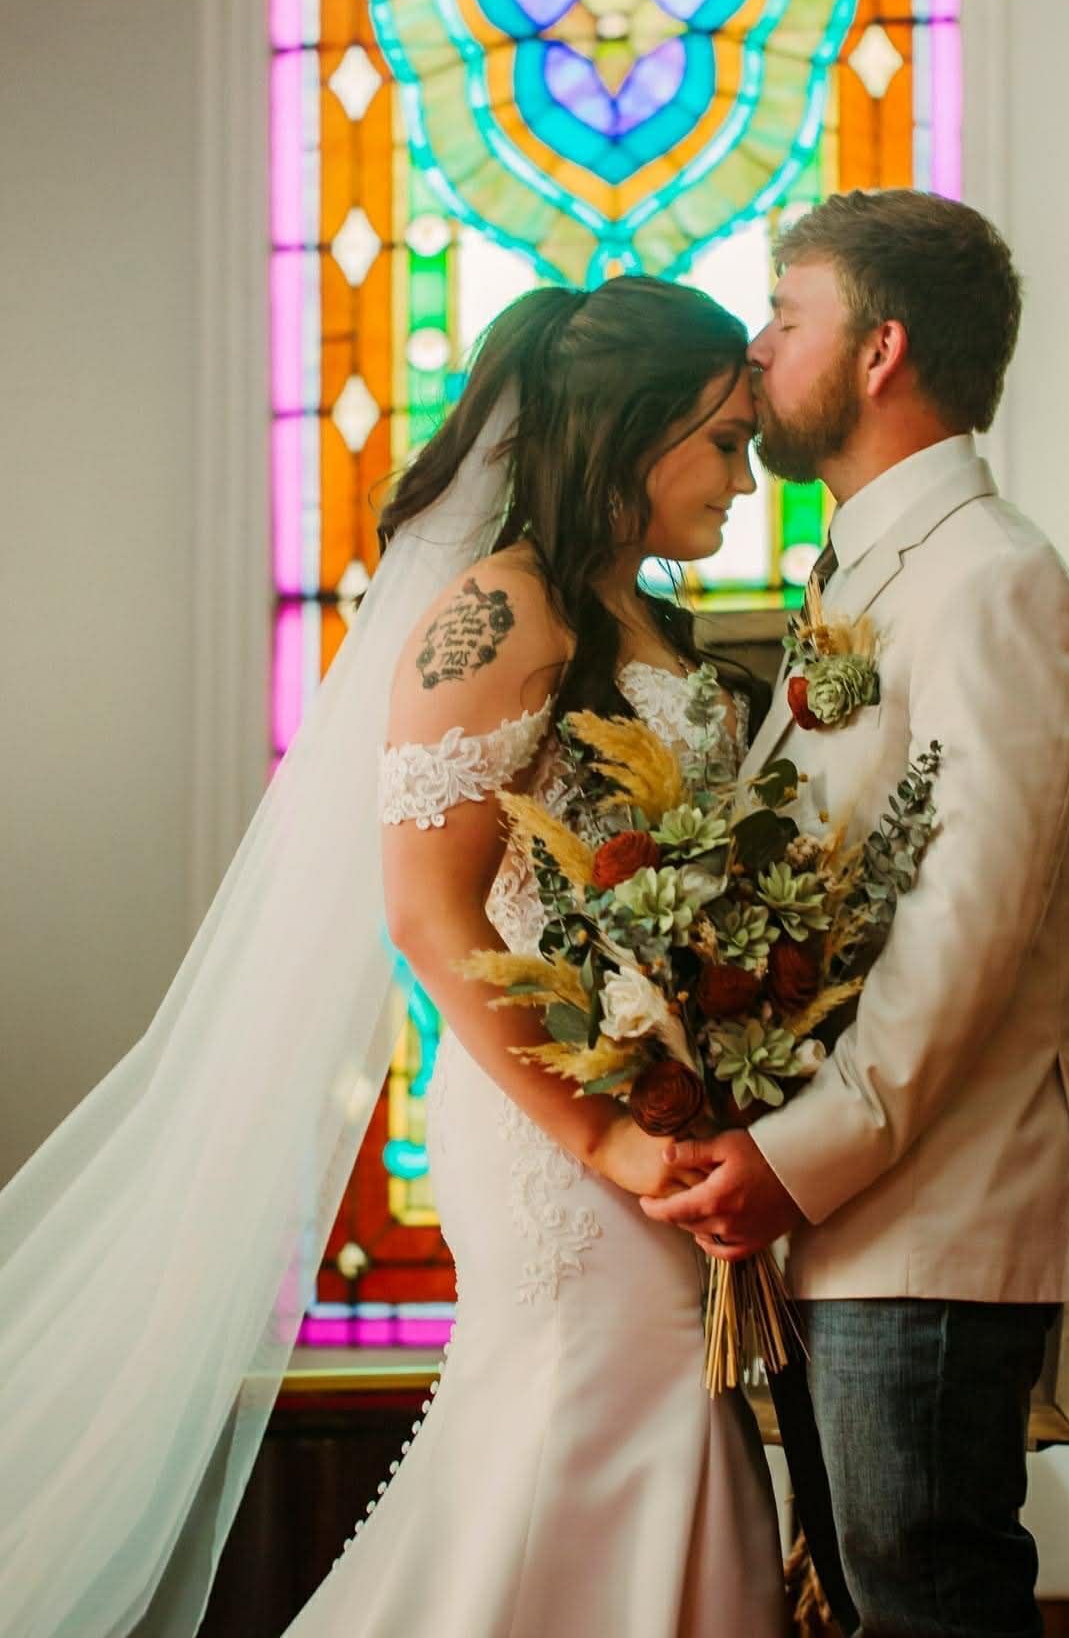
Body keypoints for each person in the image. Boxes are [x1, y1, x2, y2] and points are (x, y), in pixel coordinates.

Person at [0, 277, 784, 1637]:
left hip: (649, 1111)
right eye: (723, 443)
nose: (744, 484)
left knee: (642, 1433)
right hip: (556, 1129)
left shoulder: (646, 624)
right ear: (629, 427)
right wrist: (601, 1137)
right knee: (585, 1425)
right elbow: (430, 913)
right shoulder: (497, 614)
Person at [644, 188, 1069, 1638]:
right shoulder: (866, 578)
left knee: (928, 1604)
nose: (755, 345)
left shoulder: (990, 584)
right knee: (870, 1603)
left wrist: (792, 1161)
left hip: (923, 1218)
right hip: (852, 1225)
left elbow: (962, 934)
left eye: (786, 318)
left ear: (877, 350)